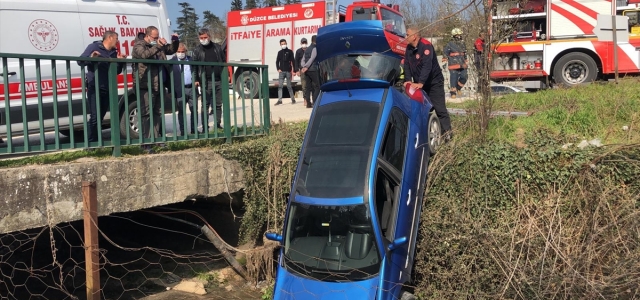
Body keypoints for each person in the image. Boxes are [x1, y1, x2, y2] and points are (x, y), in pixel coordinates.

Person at [131, 26, 179, 151]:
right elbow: (144, 55)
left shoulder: (157, 46)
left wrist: (174, 41)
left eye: (158, 37)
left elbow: (171, 50)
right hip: (146, 86)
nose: (157, 39)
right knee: (145, 114)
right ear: (147, 36)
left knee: (157, 113)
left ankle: (156, 139)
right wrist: (157, 45)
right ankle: (145, 142)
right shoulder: (138, 46)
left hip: (159, 85)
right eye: (155, 37)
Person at [404, 27, 452, 138]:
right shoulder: (408, 49)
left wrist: (421, 82)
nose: (405, 37)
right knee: (422, 110)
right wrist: (407, 80)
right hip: (419, 84)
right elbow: (406, 64)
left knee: (440, 109)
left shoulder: (426, 46)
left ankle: (447, 135)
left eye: (407, 35)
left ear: (414, 36)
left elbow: (427, 66)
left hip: (434, 83)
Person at [78, 30, 126, 143]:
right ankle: (91, 144)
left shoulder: (114, 52)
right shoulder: (94, 46)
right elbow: (80, 61)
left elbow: (116, 71)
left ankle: (97, 142)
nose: (117, 41)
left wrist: (120, 61)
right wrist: (91, 58)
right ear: (109, 38)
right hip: (94, 86)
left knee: (100, 117)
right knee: (95, 117)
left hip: (108, 88)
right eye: (116, 38)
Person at [192, 28, 225, 131]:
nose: (203, 39)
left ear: (209, 37)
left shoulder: (217, 48)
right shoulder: (197, 50)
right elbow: (194, 66)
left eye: (205, 37)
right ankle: (205, 127)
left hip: (218, 80)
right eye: (201, 38)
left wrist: (226, 74)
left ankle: (218, 124)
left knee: (218, 104)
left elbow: (223, 61)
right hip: (205, 81)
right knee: (205, 105)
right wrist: (196, 79)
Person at [168, 43, 198, 136]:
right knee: (181, 111)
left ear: (186, 51)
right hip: (179, 89)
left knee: (194, 110)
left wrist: (197, 80)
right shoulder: (171, 62)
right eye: (178, 51)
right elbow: (169, 77)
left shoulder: (191, 60)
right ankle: (183, 131)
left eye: (182, 51)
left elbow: (196, 70)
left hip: (192, 88)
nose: (181, 53)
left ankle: (194, 130)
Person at [443, 28, 468, 99]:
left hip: (462, 63)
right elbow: (445, 53)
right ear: (454, 35)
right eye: (458, 35)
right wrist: (445, 59)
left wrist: (465, 60)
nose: (460, 36)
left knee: (464, 76)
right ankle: (453, 92)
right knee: (454, 78)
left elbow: (464, 52)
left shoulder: (463, 43)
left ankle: (458, 88)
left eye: (460, 35)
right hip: (453, 63)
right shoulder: (450, 44)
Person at [300, 35, 320, 108]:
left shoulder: (307, 49)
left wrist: (303, 66)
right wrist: (306, 67)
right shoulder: (314, 48)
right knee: (317, 86)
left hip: (307, 71)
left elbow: (303, 60)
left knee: (308, 87)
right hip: (312, 69)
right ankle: (315, 102)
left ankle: (308, 103)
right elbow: (312, 58)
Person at [275, 38, 296, 105]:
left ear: (286, 43)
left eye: (284, 44)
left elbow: (293, 61)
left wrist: (294, 70)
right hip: (281, 72)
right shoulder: (279, 52)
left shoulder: (290, 51)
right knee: (280, 86)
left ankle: (293, 99)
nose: (283, 45)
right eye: (282, 44)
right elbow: (277, 61)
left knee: (289, 86)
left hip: (288, 71)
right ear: (280, 45)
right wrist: (278, 69)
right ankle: (280, 100)